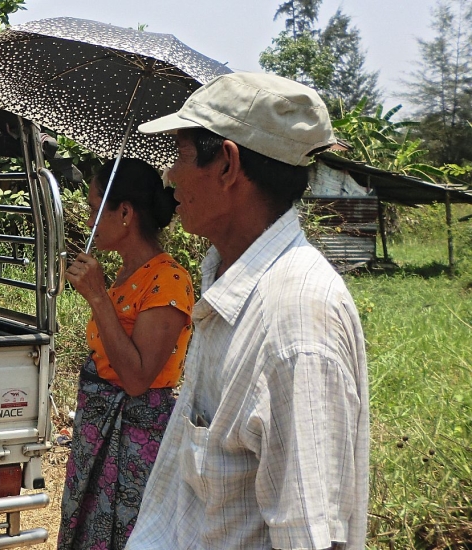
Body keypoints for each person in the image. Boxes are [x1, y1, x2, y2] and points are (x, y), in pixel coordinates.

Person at [124, 73, 369, 550]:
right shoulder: (229, 286)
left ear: (227, 164)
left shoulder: (295, 323)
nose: (170, 175)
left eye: (180, 154)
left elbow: (306, 538)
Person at [58, 159, 194, 550]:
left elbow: (136, 379)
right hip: (98, 432)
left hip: (135, 441)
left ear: (124, 213)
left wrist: (98, 298)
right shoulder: (122, 277)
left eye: (93, 210)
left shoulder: (167, 280)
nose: (88, 223)